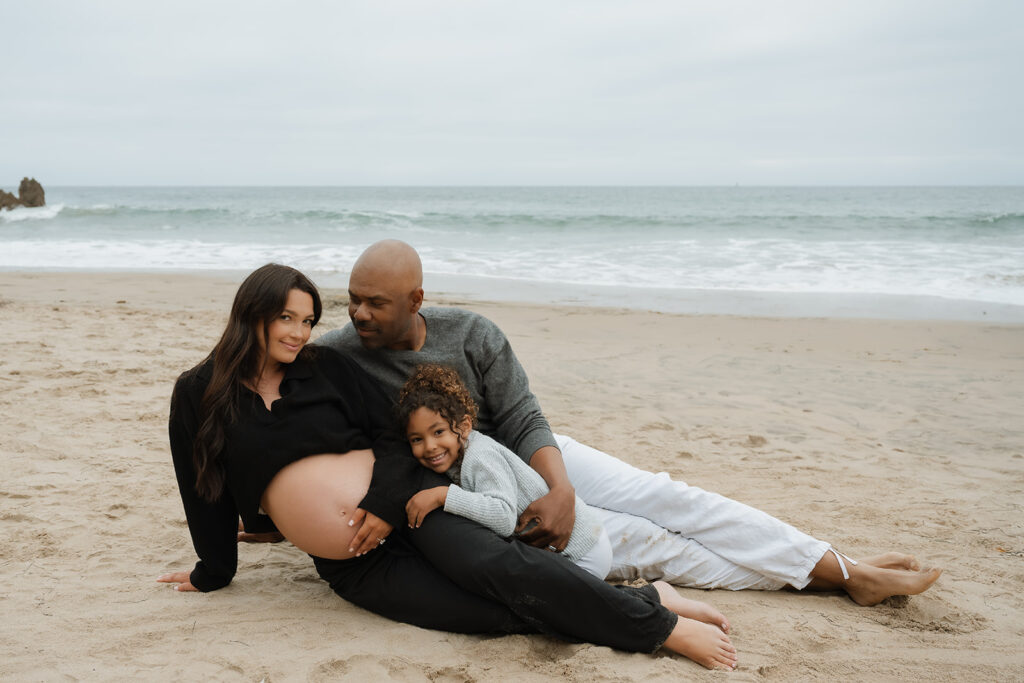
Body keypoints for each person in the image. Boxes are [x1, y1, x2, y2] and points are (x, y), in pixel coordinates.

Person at [157, 263, 739, 670]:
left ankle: (663, 631)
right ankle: (647, 599)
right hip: (353, 566)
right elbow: (200, 487)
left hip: (413, 508)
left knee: (506, 570)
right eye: (287, 317)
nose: (299, 332)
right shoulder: (198, 392)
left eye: (308, 320)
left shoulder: (323, 368)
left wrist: (386, 505)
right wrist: (214, 569)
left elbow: (390, 436)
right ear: (252, 312)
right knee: (486, 614)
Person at [317, 240, 942, 606]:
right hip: (492, 489)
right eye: (354, 298)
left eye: (376, 302)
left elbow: (522, 414)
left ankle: (844, 567)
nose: (360, 313)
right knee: (652, 547)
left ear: (416, 302)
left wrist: (562, 490)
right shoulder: (344, 355)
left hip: (538, 458)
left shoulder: (473, 333)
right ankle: (834, 575)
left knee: (666, 497)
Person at [399, 362, 613, 581]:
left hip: (582, 552)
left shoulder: (479, 457)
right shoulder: (458, 456)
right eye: (417, 439)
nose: (429, 446)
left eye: (438, 432)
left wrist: (443, 496)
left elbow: (503, 516)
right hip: (577, 548)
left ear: (464, 426)